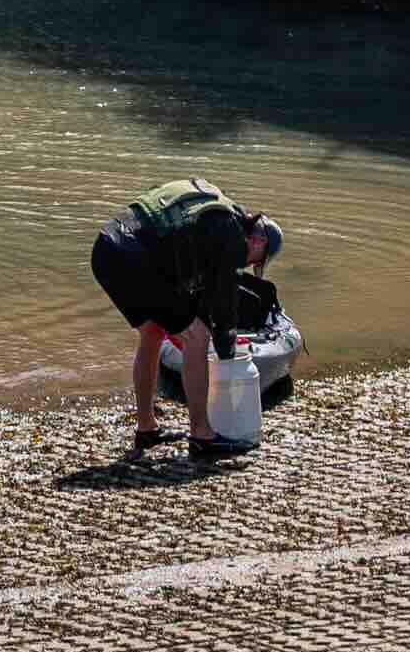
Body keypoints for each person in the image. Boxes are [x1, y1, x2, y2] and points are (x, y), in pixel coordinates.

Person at [94, 176, 284, 451]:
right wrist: (225, 345)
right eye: (256, 260)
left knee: (152, 332)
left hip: (106, 249)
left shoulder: (214, 213)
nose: (249, 264)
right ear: (257, 241)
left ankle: (146, 429)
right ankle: (202, 434)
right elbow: (223, 304)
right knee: (197, 337)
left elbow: (194, 282)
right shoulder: (230, 233)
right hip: (131, 257)